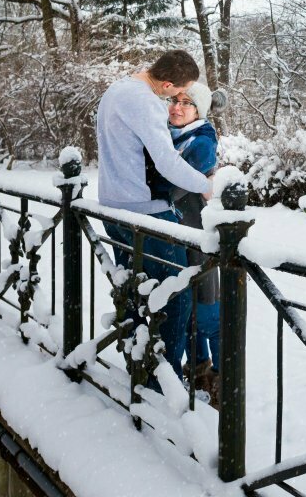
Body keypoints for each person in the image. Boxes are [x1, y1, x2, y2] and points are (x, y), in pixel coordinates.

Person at [95, 50, 211, 383]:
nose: (176, 99)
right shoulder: (145, 101)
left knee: (136, 292)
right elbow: (167, 163)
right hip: (144, 214)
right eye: (177, 92)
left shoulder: (118, 89)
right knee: (176, 298)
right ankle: (165, 381)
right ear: (166, 83)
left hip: (113, 207)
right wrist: (206, 186)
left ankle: (138, 369)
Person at [145, 81, 226, 405]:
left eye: (186, 103)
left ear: (199, 111)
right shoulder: (166, 136)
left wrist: (150, 178)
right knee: (186, 309)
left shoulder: (202, 141)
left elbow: (166, 184)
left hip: (198, 238)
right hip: (175, 234)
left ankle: (222, 379)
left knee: (208, 315)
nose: (176, 107)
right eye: (174, 100)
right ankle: (198, 371)